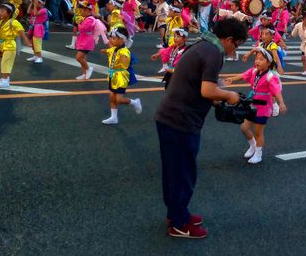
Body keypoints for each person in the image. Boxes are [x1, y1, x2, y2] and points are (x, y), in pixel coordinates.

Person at [155, 18, 249, 239]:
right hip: (181, 121)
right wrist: (229, 95)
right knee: (183, 174)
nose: (234, 50)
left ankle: (177, 214)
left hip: (170, 117)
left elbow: (199, 84)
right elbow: (207, 91)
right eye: (236, 45)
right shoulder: (214, 53)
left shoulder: (202, 45)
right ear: (228, 39)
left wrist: (220, 89)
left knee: (175, 171)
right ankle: (178, 224)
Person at [223, 47, 286, 164]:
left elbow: (277, 91)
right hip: (252, 103)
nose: (257, 61)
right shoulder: (254, 71)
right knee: (244, 128)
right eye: (256, 59)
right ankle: (252, 146)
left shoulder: (270, 76)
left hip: (263, 106)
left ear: (268, 63)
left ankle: (258, 154)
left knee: (258, 132)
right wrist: (232, 79)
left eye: (261, 59)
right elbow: (243, 75)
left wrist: (281, 102)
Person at [102, 26, 141, 124]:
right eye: (110, 37)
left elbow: (125, 62)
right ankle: (114, 117)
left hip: (120, 77)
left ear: (122, 40)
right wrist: (105, 51)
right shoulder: (115, 48)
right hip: (112, 75)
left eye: (113, 38)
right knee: (112, 97)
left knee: (118, 99)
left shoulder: (124, 51)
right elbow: (109, 51)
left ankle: (135, 102)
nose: (111, 40)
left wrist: (123, 58)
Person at [0, 3, 30, 89]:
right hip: (3, 44)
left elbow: (21, 31)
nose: (0, 12)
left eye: (3, 11)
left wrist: (27, 42)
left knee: (6, 63)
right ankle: (5, 78)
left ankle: (5, 81)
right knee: (4, 62)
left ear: (9, 13)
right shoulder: (2, 21)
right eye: (0, 11)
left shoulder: (13, 22)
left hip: (10, 45)